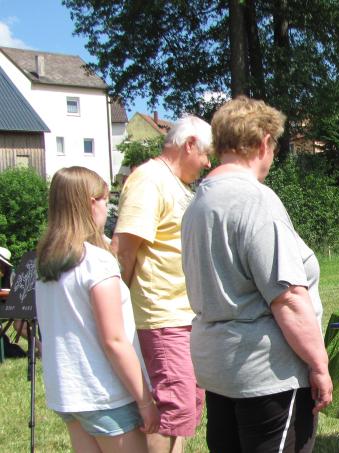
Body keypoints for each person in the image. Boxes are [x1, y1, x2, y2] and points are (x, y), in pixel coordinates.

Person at [181, 96, 332, 452]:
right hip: (266, 374)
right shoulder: (255, 200)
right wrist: (319, 365)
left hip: (220, 368)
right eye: (274, 146)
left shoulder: (198, 203)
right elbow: (288, 298)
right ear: (264, 142)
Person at [35, 167, 158, 452]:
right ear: (91, 203)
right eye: (105, 199)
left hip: (68, 393)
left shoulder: (46, 264)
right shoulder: (96, 263)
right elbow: (114, 340)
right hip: (105, 393)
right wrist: (145, 401)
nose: (107, 206)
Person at [112, 116, 212, 453]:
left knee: (186, 408)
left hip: (185, 315)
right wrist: (121, 310)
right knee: (173, 408)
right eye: (206, 154)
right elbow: (123, 251)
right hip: (162, 315)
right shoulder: (148, 180)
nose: (208, 163)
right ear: (189, 145)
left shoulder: (176, 184)